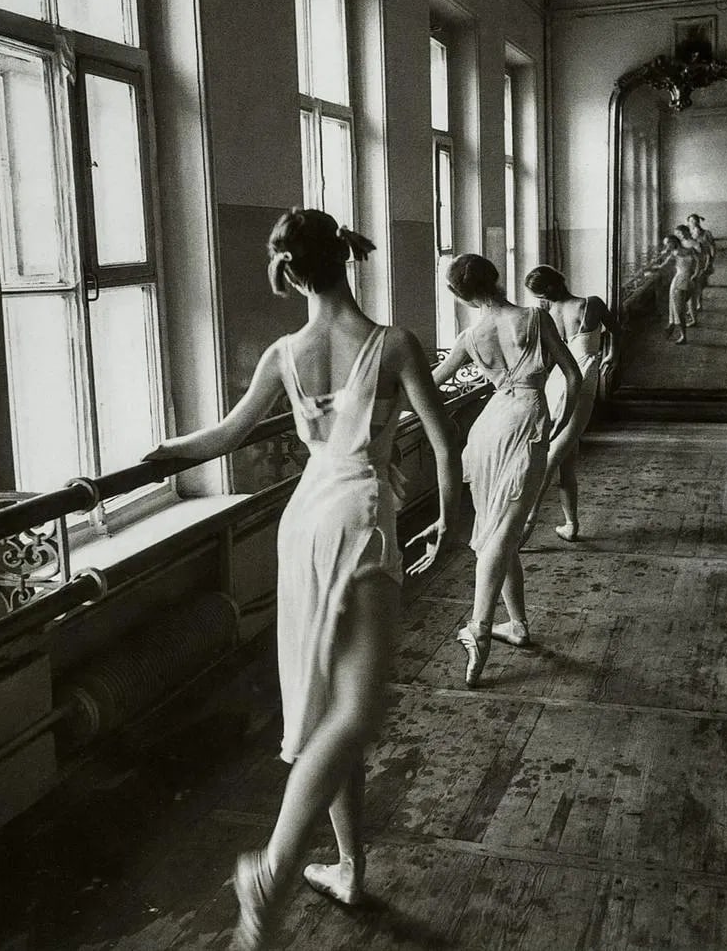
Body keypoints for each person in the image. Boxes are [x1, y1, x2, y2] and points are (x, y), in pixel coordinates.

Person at [144, 208, 461, 950]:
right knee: (360, 707)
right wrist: (449, 528)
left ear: (289, 272)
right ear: (346, 258)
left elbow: (220, 437)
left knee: (328, 708)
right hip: (359, 518)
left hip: (306, 520)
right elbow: (444, 446)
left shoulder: (284, 353)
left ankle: (348, 868)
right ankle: (275, 867)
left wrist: (157, 455)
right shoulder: (393, 345)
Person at [431, 254, 581, 688]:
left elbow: (426, 384)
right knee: (503, 530)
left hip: (488, 428)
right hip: (527, 420)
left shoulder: (469, 336)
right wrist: (560, 419)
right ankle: (480, 626)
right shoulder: (535, 318)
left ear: (459, 294)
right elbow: (572, 376)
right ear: (496, 277)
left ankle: (516, 625)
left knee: (499, 528)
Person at [519, 266, 620, 545]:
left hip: (574, 379)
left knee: (552, 457)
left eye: (539, 295)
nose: (541, 300)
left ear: (547, 291)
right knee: (562, 460)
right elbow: (616, 329)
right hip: (569, 380)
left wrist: (613, 355)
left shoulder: (571, 310)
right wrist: (612, 354)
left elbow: (614, 329)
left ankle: (526, 526)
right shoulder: (584, 305)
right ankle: (569, 524)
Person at [646, 234, 698, 345]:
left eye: (667, 244)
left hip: (688, 282)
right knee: (679, 309)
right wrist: (649, 268)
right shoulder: (673, 255)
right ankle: (683, 336)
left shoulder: (690, 250)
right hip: (678, 282)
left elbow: (699, 261)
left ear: (674, 242)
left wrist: (696, 274)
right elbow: (661, 266)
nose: (666, 247)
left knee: (679, 307)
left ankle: (672, 325)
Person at [675, 224, 704, 324]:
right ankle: (691, 316)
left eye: (682, 232)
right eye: (678, 233)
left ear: (687, 232)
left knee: (692, 298)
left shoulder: (695, 244)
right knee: (685, 298)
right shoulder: (680, 244)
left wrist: (696, 273)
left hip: (692, 273)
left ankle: (694, 320)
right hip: (682, 272)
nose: (680, 235)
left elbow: (699, 260)